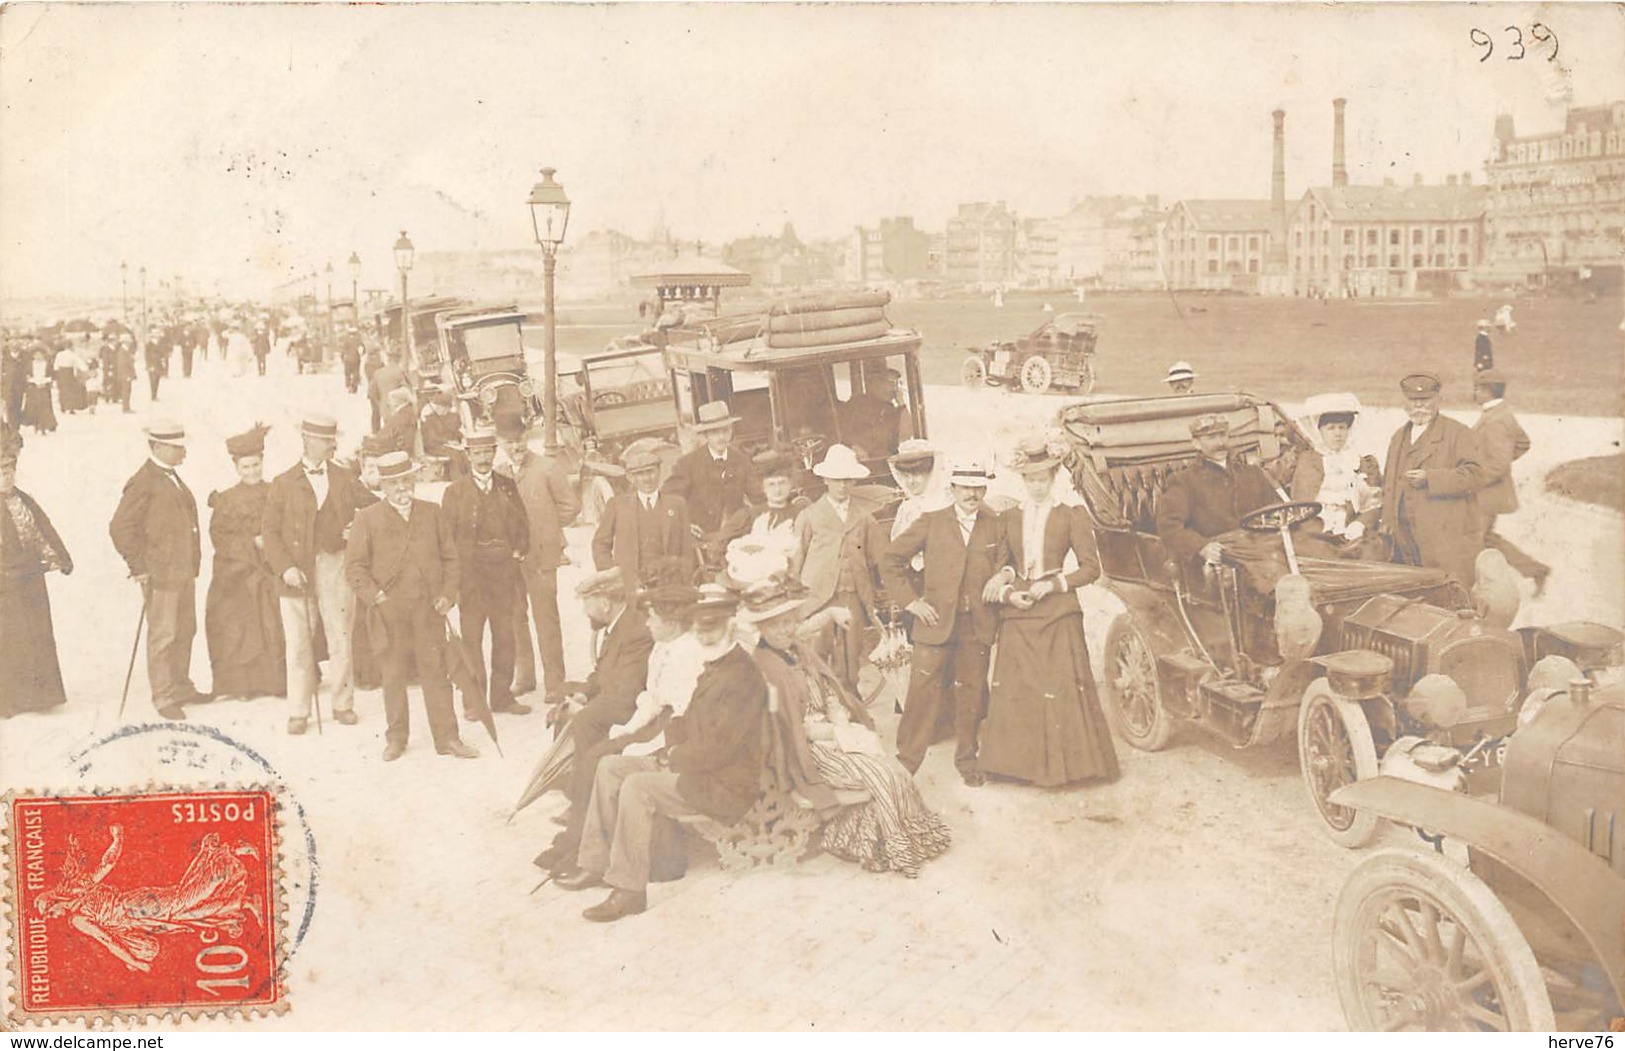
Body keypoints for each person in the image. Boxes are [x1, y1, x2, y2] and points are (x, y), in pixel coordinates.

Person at [555, 586, 767, 922]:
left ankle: (630, 890)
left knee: (639, 787)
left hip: (724, 783)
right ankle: (595, 863)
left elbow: (721, 748)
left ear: (730, 625)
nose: (705, 634)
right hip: (697, 768)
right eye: (700, 627)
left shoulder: (741, 675)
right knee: (610, 766)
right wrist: (671, 748)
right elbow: (687, 719)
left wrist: (673, 757)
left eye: (713, 627)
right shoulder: (715, 664)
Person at [743, 576, 951, 877]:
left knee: (894, 770)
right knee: (880, 775)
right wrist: (831, 733)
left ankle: (863, 841)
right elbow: (784, 728)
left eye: (788, 621)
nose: (785, 629)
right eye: (775, 624)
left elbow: (828, 689)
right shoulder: (764, 666)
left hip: (835, 734)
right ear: (761, 628)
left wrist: (840, 718)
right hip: (810, 751)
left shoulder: (797, 649)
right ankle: (899, 851)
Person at [977, 437, 1119, 788]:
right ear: (1022, 480)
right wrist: (1009, 585)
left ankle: (1072, 769)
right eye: (1030, 479)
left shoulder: (1071, 515)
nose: (1037, 485)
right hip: (1020, 608)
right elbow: (1005, 564)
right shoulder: (1009, 517)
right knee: (1020, 687)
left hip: (1058, 610)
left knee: (1060, 686)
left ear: (1054, 476)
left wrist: (1054, 584)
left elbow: (1090, 568)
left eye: (1043, 478)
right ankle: (1017, 768)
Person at [880, 459, 1008, 786]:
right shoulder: (932, 522)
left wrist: (1003, 575)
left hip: (976, 624)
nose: (972, 493)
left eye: (978, 487)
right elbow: (891, 560)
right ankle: (906, 764)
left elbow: (1009, 562)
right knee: (921, 694)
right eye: (965, 487)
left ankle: (967, 760)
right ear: (952, 489)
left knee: (972, 694)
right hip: (934, 622)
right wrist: (912, 602)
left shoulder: (995, 524)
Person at [345, 452, 477, 761]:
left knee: (436, 673)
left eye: (407, 480)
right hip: (388, 612)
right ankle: (396, 738)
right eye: (394, 483)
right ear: (384, 487)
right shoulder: (367, 517)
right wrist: (377, 598)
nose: (402, 488)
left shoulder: (432, 513)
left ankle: (448, 738)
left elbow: (450, 558)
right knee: (392, 676)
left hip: (428, 610)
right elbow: (354, 569)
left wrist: (447, 594)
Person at [261, 413, 375, 734]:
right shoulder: (283, 483)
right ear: (307, 440)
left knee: (340, 635)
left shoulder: (344, 477)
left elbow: (372, 509)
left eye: (332, 439)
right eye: (326, 440)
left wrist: (358, 530)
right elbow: (269, 532)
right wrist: (285, 568)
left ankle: (342, 704)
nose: (332, 444)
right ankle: (298, 710)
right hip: (296, 571)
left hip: (335, 565)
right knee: (298, 642)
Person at [108, 418, 209, 720]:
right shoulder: (144, 481)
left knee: (185, 630)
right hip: (161, 574)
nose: (184, 453)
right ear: (158, 447)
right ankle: (163, 696)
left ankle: (180, 686)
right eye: (177, 448)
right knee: (164, 635)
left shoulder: (170, 476)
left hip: (183, 570)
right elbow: (120, 527)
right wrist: (138, 566)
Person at [440, 430, 531, 717]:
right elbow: (447, 540)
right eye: (477, 454)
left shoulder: (506, 485)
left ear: (494, 453)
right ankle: (474, 701)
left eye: (487, 453)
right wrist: (453, 580)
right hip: (472, 578)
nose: (482, 459)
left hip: (503, 573)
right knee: (472, 639)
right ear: (468, 456)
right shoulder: (454, 492)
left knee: (505, 636)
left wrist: (518, 551)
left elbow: (522, 523)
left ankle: (502, 697)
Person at [1378, 372, 1488, 587]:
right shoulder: (1398, 437)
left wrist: (1431, 479)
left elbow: (1476, 475)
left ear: (1438, 400)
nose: (1419, 406)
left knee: (1453, 596)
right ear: (1404, 402)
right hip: (1404, 540)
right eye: (1413, 401)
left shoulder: (1458, 433)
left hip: (1445, 540)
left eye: (1425, 400)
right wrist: (1388, 520)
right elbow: (1390, 483)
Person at [500, 415, 579, 703]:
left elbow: (571, 507)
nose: (515, 446)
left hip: (542, 557)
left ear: (526, 439)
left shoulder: (547, 468)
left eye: (519, 439)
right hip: (511, 560)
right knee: (515, 617)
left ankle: (555, 682)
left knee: (546, 619)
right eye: (509, 442)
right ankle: (525, 676)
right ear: (500, 444)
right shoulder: (498, 474)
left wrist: (547, 530)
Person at [204, 424, 286, 701]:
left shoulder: (276, 491)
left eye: (255, 466)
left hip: (272, 570)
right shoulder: (226, 500)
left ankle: (277, 682)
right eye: (245, 467)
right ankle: (245, 685)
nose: (251, 472)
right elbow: (219, 537)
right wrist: (251, 544)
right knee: (242, 627)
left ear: (262, 463)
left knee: (274, 624)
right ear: (236, 468)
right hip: (238, 573)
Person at [791, 443, 881, 691]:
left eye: (847, 480)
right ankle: (820, 708)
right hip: (817, 597)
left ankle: (850, 706)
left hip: (851, 595)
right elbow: (795, 562)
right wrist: (795, 601)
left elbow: (879, 559)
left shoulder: (864, 516)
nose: (842, 486)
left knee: (851, 659)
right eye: (837, 479)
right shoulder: (809, 516)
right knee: (817, 656)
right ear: (825, 480)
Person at [1154, 414, 1281, 574]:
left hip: (1265, 547)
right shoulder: (1183, 481)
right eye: (1211, 438)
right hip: (1223, 556)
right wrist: (1201, 546)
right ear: (1196, 444)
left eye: (1223, 435)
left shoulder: (1253, 474)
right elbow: (1169, 526)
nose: (1220, 443)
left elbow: (1276, 510)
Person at [1, 430, 72, 717]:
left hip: (30, 577)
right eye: (1, 471)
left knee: (38, 634)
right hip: (5, 583)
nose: (7, 476)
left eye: (10, 470)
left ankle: (42, 695)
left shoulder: (23, 500)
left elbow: (43, 530)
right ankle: (9, 700)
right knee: (10, 638)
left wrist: (59, 558)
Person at [1472, 370, 1550, 595]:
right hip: (1490, 493)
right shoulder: (1500, 412)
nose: (1475, 392)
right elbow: (1523, 442)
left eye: (1478, 388)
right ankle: (1536, 570)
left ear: (1488, 391)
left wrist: (1475, 479)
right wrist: (1504, 459)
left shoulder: (1496, 419)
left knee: (1473, 543)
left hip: (1486, 495)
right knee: (1486, 539)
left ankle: (1474, 592)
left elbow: (1497, 465)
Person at [591, 438, 693, 588]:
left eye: (650, 472)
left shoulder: (677, 504)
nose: (646, 479)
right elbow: (600, 544)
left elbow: (686, 548)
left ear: (659, 472)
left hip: (669, 584)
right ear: (630, 478)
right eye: (640, 474)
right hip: (630, 585)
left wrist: (683, 579)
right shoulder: (617, 506)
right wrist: (612, 573)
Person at [1290, 393, 1383, 552]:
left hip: (1352, 531)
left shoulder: (1363, 462)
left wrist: (1359, 524)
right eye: (1331, 428)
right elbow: (1298, 503)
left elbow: (1375, 505)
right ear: (1320, 431)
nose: (1337, 433)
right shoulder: (1307, 460)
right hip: (1312, 531)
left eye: (1342, 427)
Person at [661, 400, 763, 538]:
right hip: (701, 536)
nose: (721, 437)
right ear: (705, 435)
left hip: (736, 532)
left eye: (725, 431)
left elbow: (758, 497)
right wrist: (684, 524)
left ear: (731, 431)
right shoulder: (688, 464)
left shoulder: (741, 460)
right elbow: (668, 500)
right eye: (715, 432)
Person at [22, 347, 56, 434]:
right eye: (36, 355)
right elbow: (26, 376)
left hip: (44, 388)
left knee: (44, 408)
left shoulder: (47, 364)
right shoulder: (29, 364)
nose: (38, 356)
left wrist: (46, 382)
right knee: (33, 408)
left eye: (40, 355)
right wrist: (33, 381)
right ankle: (35, 424)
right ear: (33, 356)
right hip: (33, 388)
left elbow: (52, 375)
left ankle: (44, 426)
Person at [380, 386, 418, 456]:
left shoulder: (402, 416)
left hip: (397, 453)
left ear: (400, 401)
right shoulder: (406, 413)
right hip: (397, 449)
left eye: (390, 400)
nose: (388, 404)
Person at [52, 343, 86, 415]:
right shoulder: (73, 354)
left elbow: (55, 366)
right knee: (70, 390)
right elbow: (78, 364)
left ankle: (63, 407)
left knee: (62, 390)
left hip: (61, 372)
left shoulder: (59, 354)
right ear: (71, 347)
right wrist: (85, 369)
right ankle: (70, 408)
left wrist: (56, 374)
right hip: (69, 372)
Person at [112, 335, 137, 413]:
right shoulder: (122, 351)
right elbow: (122, 364)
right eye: (129, 341)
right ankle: (125, 408)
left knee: (128, 391)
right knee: (126, 391)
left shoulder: (125, 350)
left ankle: (127, 407)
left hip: (126, 374)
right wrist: (126, 375)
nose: (130, 343)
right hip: (125, 375)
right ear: (125, 342)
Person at [143, 334, 167, 402]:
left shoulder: (159, 345)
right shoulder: (148, 345)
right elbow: (146, 356)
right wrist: (149, 365)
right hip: (152, 365)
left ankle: (155, 394)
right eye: (155, 338)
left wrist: (163, 360)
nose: (157, 339)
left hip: (158, 365)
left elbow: (162, 353)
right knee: (152, 381)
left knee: (157, 380)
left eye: (157, 337)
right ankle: (153, 395)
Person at [340, 329, 362, 395]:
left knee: (347, 373)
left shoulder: (346, 341)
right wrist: (360, 354)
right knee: (356, 372)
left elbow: (343, 350)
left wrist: (342, 357)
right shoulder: (358, 340)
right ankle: (354, 386)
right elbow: (363, 348)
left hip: (348, 359)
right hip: (356, 358)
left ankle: (349, 386)